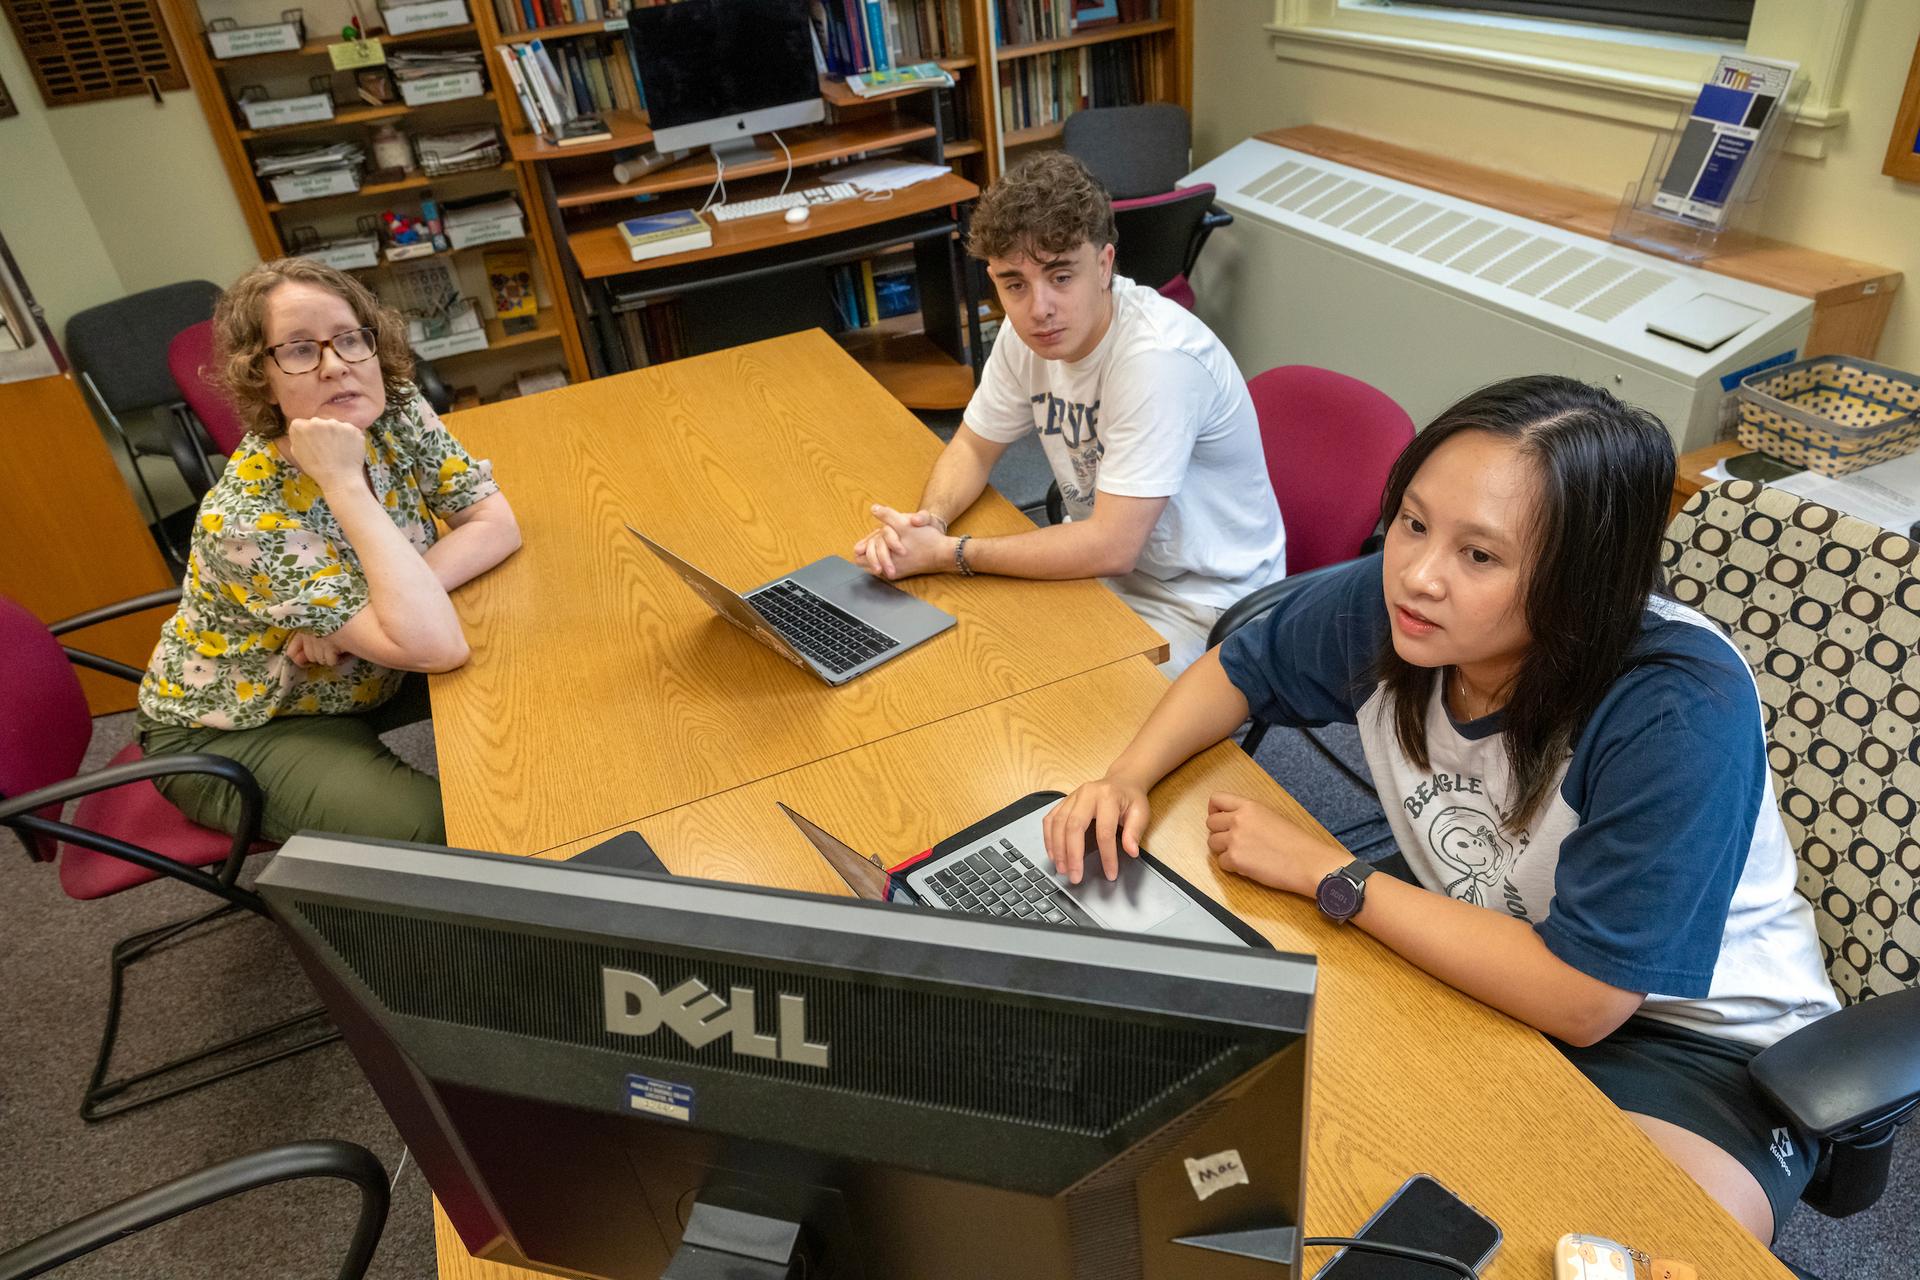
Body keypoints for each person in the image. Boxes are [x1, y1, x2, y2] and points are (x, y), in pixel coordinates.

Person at [1042, 376, 1839, 1242]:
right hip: (1476, 936)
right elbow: (1242, 667)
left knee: (1622, 1241)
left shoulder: (1676, 707)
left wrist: (1332, 876)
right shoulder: (1402, 606)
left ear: (1580, 579)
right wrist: (1127, 775)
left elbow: (1587, 999)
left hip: (1693, 1043)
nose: (1418, 575)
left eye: (1481, 556)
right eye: (1415, 523)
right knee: (1292, 1150)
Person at [851, 151, 1285, 676]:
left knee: (1052, 712)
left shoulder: (1156, 361)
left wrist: (949, 553)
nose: (1038, 309)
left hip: (1206, 606)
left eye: (1061, 277)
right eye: (1015, 284)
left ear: (1104, 265)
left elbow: (1111, 546)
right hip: (1107, 574)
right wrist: (929, 523)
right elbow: (971, 445)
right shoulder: (1023, 336)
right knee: (964, 655)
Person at [135, 258, 521, 845]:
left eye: (348, 339)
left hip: (359, 669)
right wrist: (342, 482)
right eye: (298, 350)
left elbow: (494, 522)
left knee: (545, 661)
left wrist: (355, 618)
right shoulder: (244, 517)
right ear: (260, 374)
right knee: (448, 829)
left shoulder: (392, 406)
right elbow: (435, 646)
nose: (336, 365)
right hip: (244, 725)